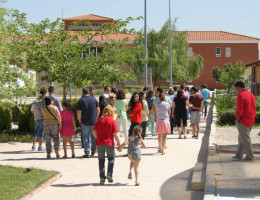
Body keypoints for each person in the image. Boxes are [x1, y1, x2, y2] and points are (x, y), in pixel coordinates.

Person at [93, 106, 121, 185]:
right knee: (111, 159)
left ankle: (102, 178)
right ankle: (109, 173)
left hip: (99, 143)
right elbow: (116, 134)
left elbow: (94, 132)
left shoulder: (99, 121)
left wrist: (98, 138)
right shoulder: (112, 121)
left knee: (101, 161)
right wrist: (119, 144)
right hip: (109, 143)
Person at [232, 81, 256, 162]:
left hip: (243, 120)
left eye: (236, 89)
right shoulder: (251, 94)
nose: (236, 90)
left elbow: (239, 110)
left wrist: (238, 119)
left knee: (245, 139)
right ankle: (238, 155)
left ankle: (250, 156)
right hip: (250, 119)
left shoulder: (241, 95)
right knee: (241, 138)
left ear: (238, 87)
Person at [77, 87, 100, 158]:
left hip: (84, 121)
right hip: (93, 121)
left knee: (85, 137)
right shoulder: (94, 99)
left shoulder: (81, 100)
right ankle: (94, 150)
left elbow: (78, 112)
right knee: (94, 136)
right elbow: (98, 110)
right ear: (89, 92)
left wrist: (79, 120)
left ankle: (87, 152)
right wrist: (96, 117)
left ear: (83, 92)